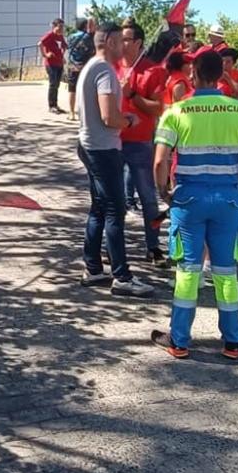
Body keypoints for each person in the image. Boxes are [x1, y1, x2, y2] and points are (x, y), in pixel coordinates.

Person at [150, 49, 238, 359]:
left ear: (193, 75)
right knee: (226, 270)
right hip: (228, 198)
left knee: (189, 270)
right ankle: (233, 340)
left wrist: (164, 193)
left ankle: (179, 340)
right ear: (220, 76)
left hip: (189, 198)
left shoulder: (177, 112)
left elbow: (161, 161)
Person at [76, 22, 154, 298]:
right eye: (121, 41)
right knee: (114, 211)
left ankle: (94, 266)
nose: (124, 46)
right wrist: (129, 120)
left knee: (99, 207)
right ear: (109, 41)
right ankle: (121, 276)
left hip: (88, 145)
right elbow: (110, 117)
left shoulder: (90, 67)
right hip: (104, 149)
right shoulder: (105, 70)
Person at [117, 20, 167, 264]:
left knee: (148, 198)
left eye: (126, 39)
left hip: (140, 144)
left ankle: (154, 246)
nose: (121, 43)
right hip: (112, 143)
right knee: (112, 200)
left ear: (138, 43)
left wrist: (132, 95)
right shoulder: (110, 67)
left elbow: (158, 108)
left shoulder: (153, 71)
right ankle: (113, 248)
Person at [65, 17, 97, 121]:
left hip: (73, 66)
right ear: (86, 26)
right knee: (87, 89)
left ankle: (71, 112)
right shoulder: (89, 37)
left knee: (72, 90)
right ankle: (86, 112)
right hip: (86, 66)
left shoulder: (70, 37)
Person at [39, 18, 67, 115]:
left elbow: (64, 46)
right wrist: (45, 55)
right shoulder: (50, 35)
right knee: (53, 84)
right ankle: (51, 106)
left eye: (63, 27)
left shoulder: (61, 37)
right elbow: (40, 44)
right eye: (60, 27)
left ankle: (55, 104)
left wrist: (62, 56)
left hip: (59, 63)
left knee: (57, 85)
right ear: (54, 27)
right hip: (51, 64)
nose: (62, 29)